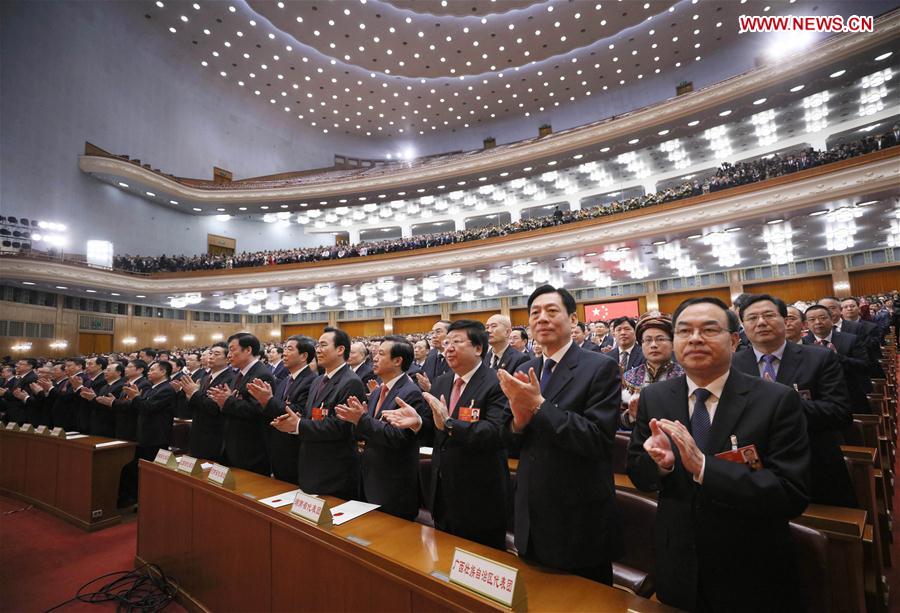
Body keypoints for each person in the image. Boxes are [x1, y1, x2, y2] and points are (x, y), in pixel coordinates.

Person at [627, 297, 810, 612]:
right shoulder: (655, 397)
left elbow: (790, 493)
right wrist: (661, 466)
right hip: (678, 562)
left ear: (734, 340)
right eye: (684, 331)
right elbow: (638, 473)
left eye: (709, 330)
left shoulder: (775, 400)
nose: (695, 338)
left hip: (750, 564)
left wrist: (704, 468)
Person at [497, 285, 622, 583]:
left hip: (578, 516)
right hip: (531, 510)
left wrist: (540, 406)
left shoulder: (599, 367)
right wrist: (518, 422)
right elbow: (507, 439)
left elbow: (597, 439)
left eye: (552, 311)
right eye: (534, 313)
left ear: (573, 320)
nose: (542, 318)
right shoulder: (526, 368)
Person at [385, 320, 510, 550]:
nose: (448, 347)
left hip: (480, 491)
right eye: (446, 342)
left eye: (457, 342)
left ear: (478, 348)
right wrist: (418, 424)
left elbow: (496, 433)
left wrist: (450, 423)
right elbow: (436, 432)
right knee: (444, 557)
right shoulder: (441, 383)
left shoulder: (497, 382)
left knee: (478, 561)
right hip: (442, 489)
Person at [735, 294, 855, 507]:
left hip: (814, 464)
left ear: (785, 320)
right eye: (752, 318)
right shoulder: (732, 365)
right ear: (743, 326)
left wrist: (780, 403)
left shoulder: (819, 357)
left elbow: (839, 413)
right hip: (755, 472)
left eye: (768, 315)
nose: (761, 322)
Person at [336, 336, 426, 520]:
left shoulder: (411, 393)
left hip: (393, 484)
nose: (374, 358)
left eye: (381, 354)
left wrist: (362, 420)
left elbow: (398, 438)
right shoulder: (378, 391)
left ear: (397, 360)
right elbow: (367, 430)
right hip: (370, 477)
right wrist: (355, 421)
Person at [271, 327, 366, 499]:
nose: (318, 350)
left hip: (334, 469)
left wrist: (299, 425)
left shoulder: (351, 382)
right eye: (317, 345)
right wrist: (293, 422)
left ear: (340, 349)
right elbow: (312, 417)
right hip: (310, 464)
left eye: (323, 345)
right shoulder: (317, 381)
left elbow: (340, 427)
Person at [246, 335, 317, 484]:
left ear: (304, 356)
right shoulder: (285, 380)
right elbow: (273, 410)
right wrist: (263, 402)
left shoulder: (312, 381)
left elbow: (298, 412)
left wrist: (269, 400)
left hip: (295, 450)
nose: (284, 353)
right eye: (284, 349)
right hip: (278, 448)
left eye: (289, 349)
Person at [208, 333, 276, 476]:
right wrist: (222, 402)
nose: (229, 355)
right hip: (233, 444)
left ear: (248, 350)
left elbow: (258, 410)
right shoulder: (240, 374)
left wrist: (227, 401)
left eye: (233, 350)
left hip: (250, 449)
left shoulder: (261, 374)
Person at [620, 313, 684, 430]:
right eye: (648, 340)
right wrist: (632, 417)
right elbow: (618, 418)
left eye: (660, 339)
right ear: (641, 344)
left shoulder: (685, 375)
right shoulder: (629, 377)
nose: (653, 345)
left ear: (673, 344)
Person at [803, 304, 872, 412]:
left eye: (823, 318)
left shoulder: (850, 339)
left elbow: (865, 366)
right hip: (819, 402)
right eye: (812, 320)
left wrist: (836, 357)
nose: (818, 322)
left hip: (852, 395)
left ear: (831, 320)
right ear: (806, 324)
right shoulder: (803, 344)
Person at [176, 342, 233, 463]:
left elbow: (214, 407)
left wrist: (194, 393)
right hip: (198, 431)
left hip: (214, 434)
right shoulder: (206, 378)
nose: (211, 356)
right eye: (210, 353)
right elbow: (196, 404)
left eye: (216, 354)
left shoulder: (229, 378)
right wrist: (189, 395)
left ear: (228, 359)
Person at [121, 360, 176, 468]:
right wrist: (136, 397)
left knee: (150, 470)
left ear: (163, 372)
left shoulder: (166, 389)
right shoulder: (153, 388)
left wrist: (135, 397)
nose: (148, 373)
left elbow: (149, 407)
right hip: (145, 436)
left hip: (156, 438)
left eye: (152, 370)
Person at [416, 320, 451, 390]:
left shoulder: (457, 356)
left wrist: (431, 389)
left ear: (450, 334)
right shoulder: (430, 356)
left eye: (438, 332)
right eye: (432, 333)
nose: (433, 336)